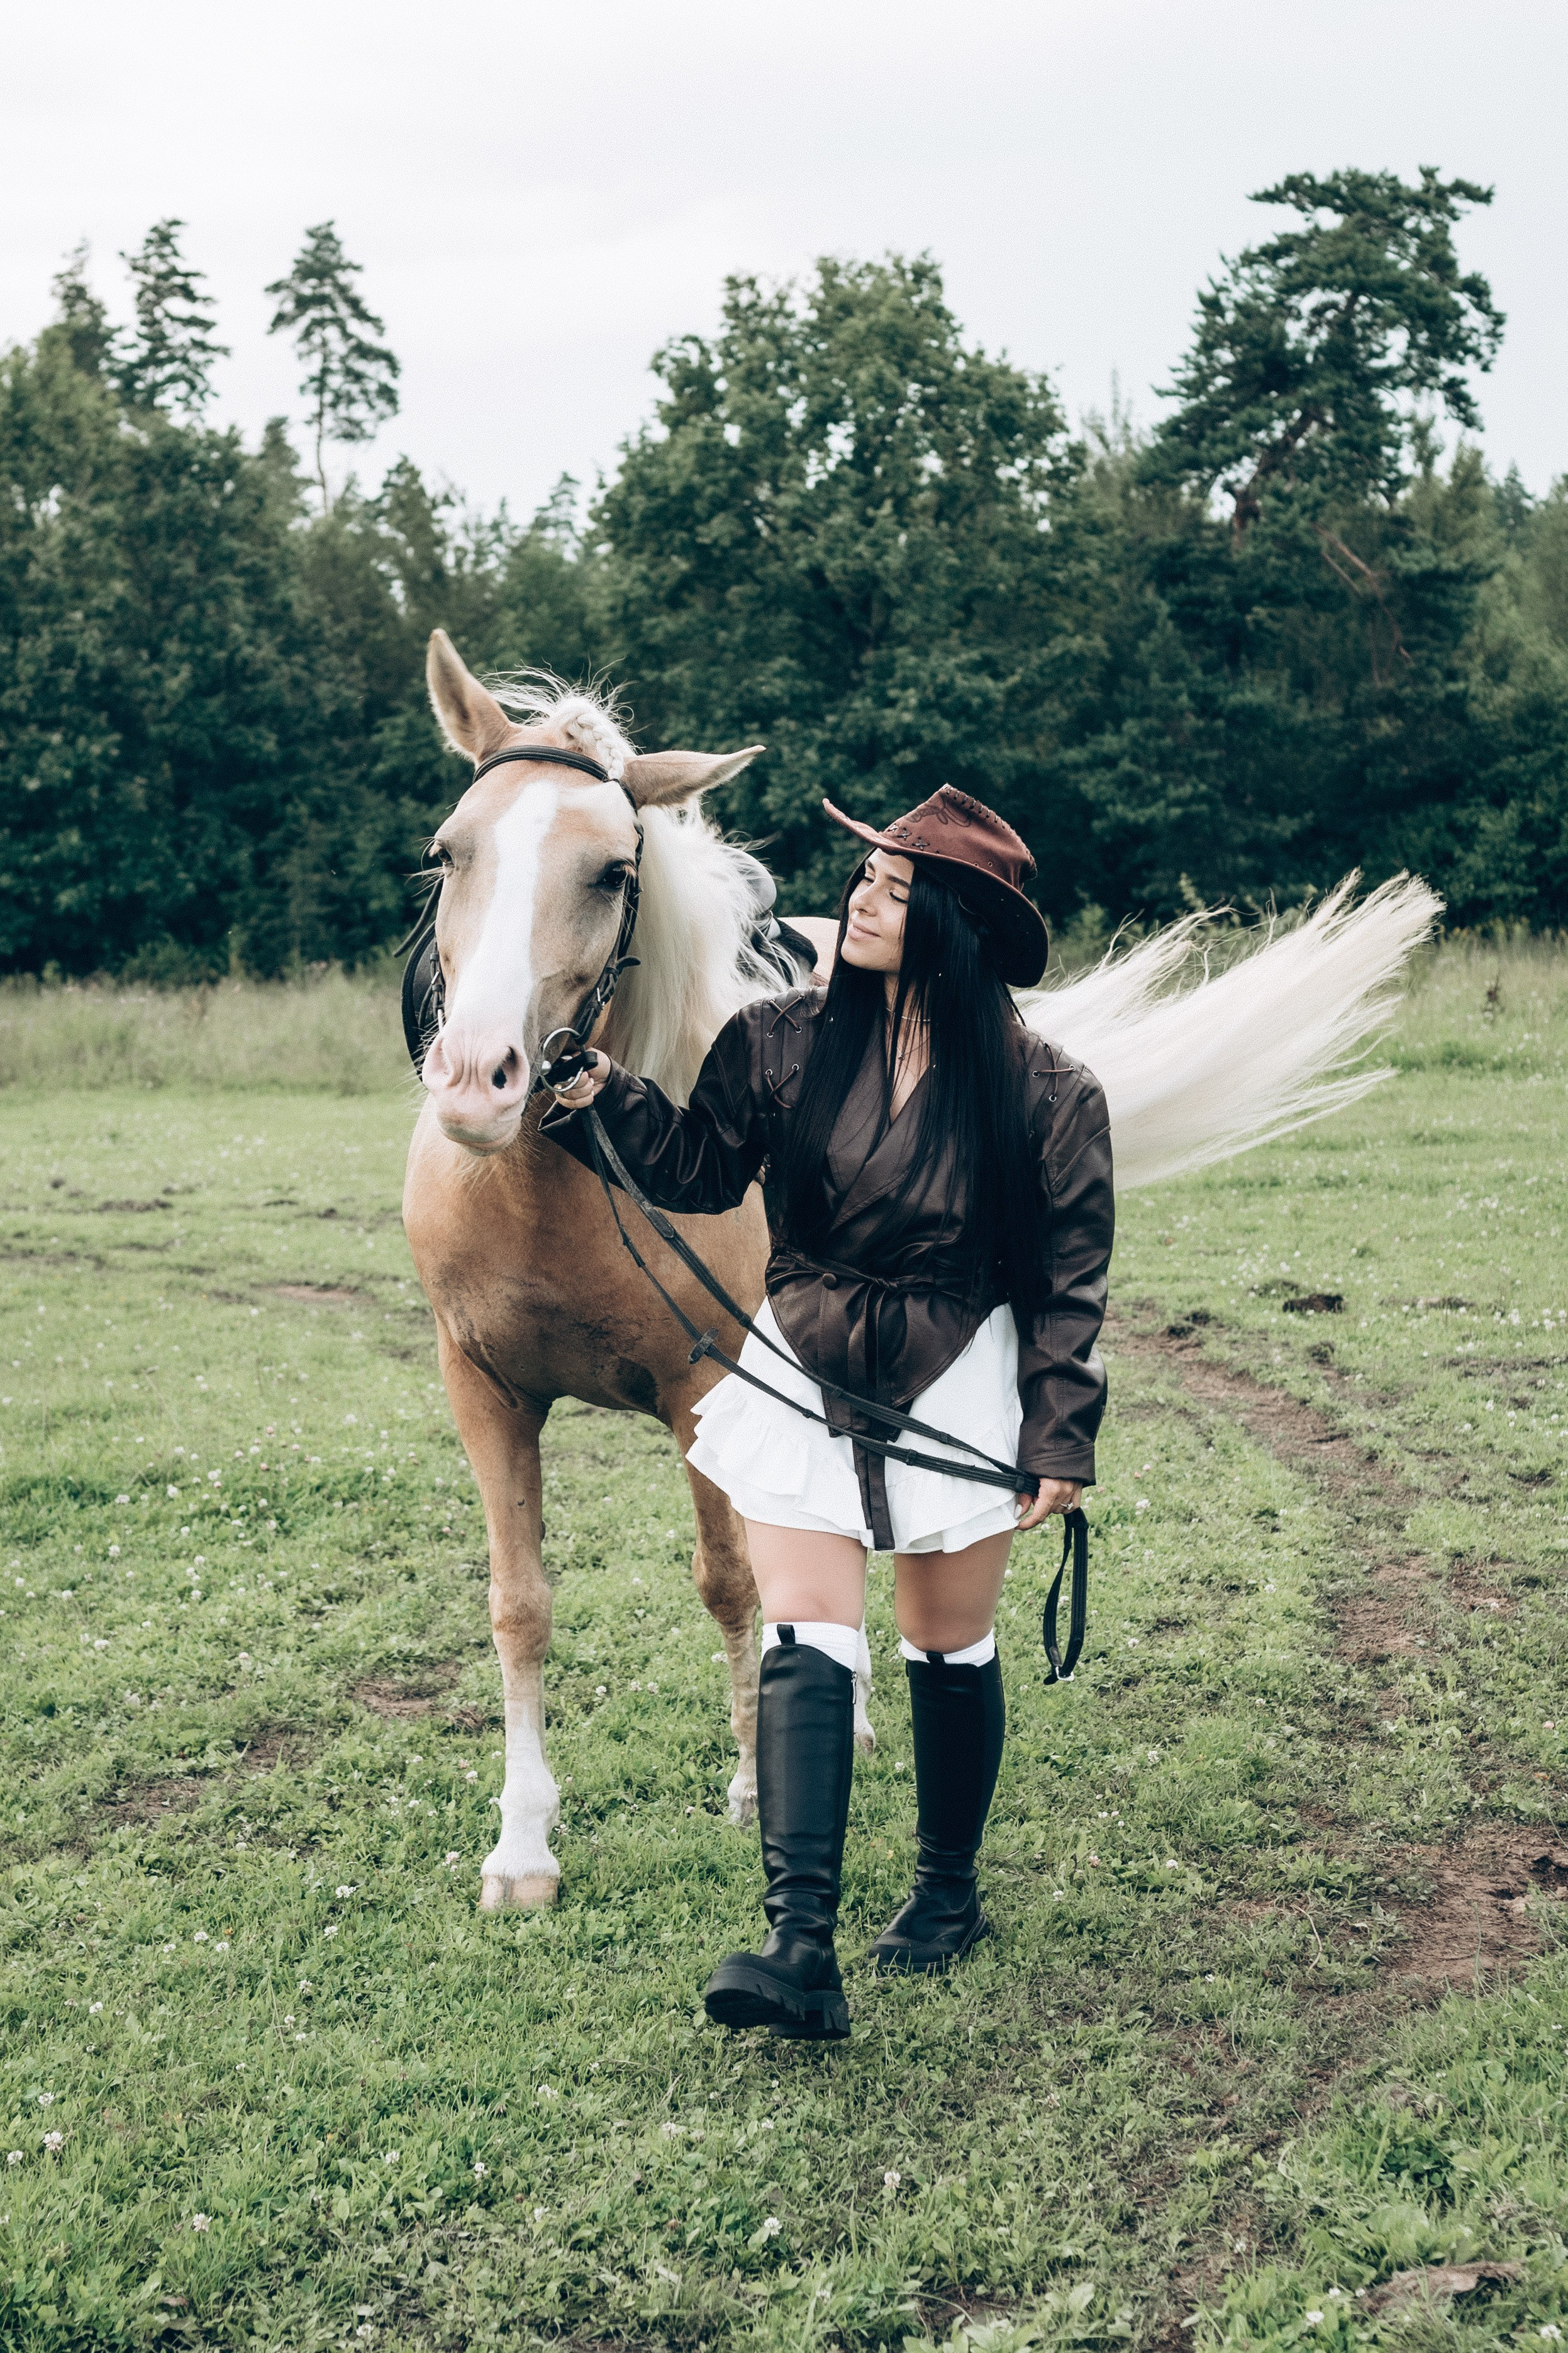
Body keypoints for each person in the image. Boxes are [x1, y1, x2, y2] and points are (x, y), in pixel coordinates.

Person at [543, 787, 1114, 2040]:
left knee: (945, 1645)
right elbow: (700, 1168)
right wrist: (602, 1096)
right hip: (801, 1353)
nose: (862, 899)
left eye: (896, 890)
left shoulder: (1048, 1093)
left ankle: (947, 1893)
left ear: (954, 925)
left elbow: (1068, 1283)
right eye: (865, 877)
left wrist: (1057, 1434)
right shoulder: (778, 1040)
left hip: (960, 1364)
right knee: (807, 1632)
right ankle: (799, 1946)